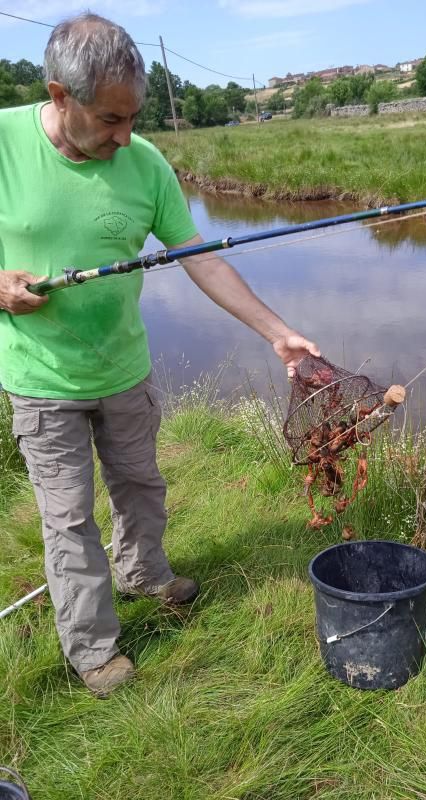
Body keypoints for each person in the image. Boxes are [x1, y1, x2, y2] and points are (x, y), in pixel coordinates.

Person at [0, 13, 319, 696]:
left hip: (124, 369)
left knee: (142, 487)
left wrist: (275, 330)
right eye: (111, 119)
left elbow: (200, 258)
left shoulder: (144, 164)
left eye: (134, 117)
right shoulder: (2, 143)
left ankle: (145, 575)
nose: (125, 135)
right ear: (60, 97)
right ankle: (93, 649)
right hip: (40, 378)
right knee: (68, 518)